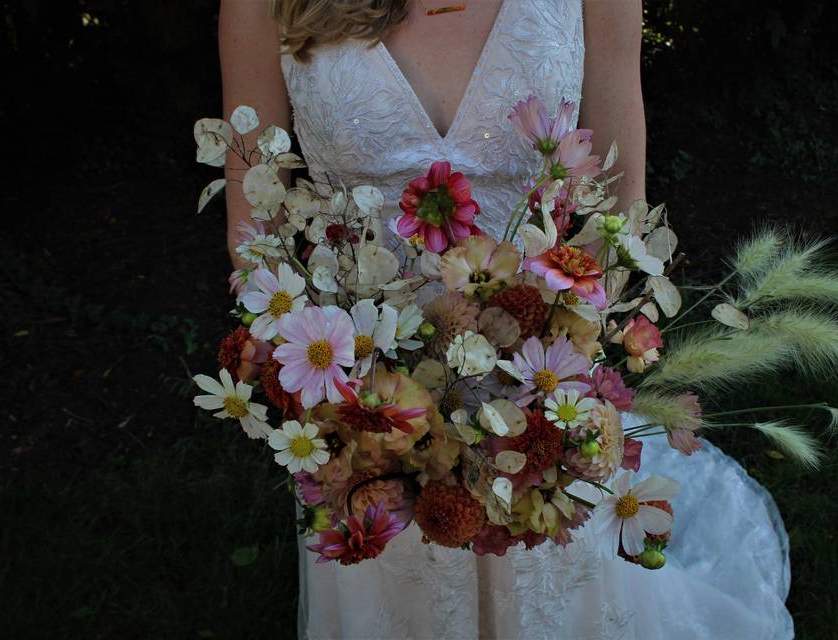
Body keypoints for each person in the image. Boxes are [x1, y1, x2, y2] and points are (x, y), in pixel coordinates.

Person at [219, 1, 794, 638]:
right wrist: (325, 389)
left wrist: (560, 366)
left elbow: (621, 201)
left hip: (545, 384)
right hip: (366, 404)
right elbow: (254, 216)